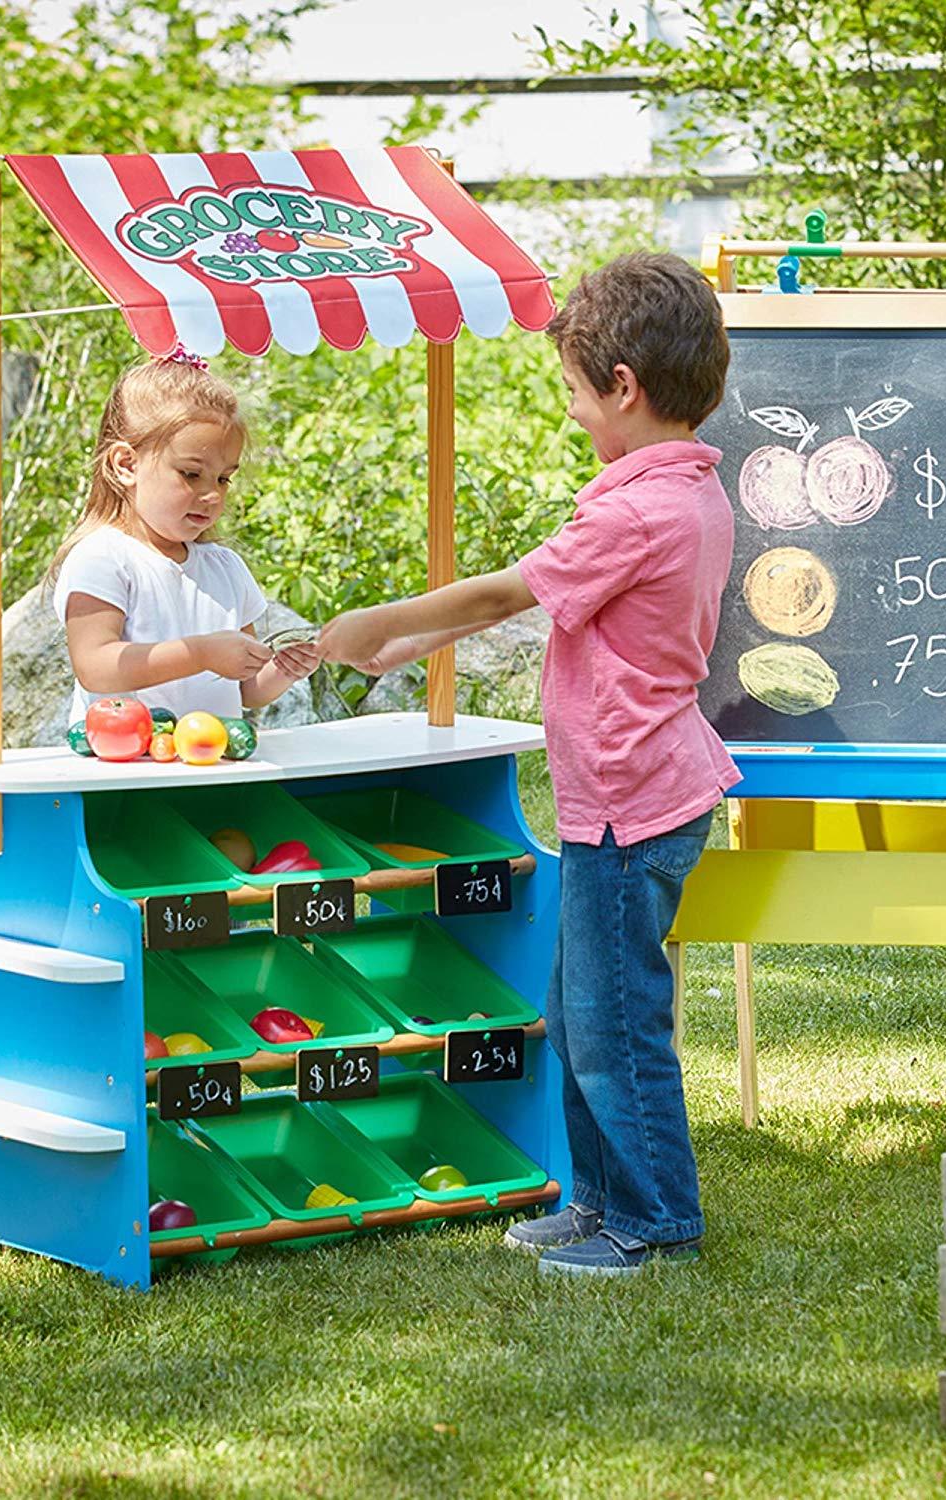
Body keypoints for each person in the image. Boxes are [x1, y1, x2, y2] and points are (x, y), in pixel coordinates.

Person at [315, 252, 741, 1277]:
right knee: (578, 1015)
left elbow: (507, 594)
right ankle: (598, 1201)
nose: (571, 414)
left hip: (631, 810)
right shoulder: (685, 493)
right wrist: (407, 650)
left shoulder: (634, 511)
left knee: (615, 1029)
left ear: (623, 389)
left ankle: (653, 1220)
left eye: (572, 393)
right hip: (629, 800)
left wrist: (381, 622)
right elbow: (554, 608)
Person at [51, 351, 318, 724]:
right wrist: (201, 653)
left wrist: (284, 669)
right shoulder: (102, 557)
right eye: (191, 474)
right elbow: (96, 666)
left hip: (210, 761)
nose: (212, 495)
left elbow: (248, 690)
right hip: (126, 769)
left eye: (224, 479)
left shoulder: (226, 568)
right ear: (126, 465)